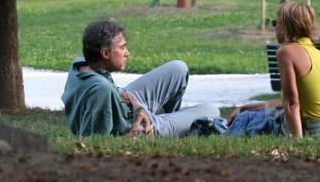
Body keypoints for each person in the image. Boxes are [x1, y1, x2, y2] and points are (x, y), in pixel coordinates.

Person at [62, 20, 221, 137]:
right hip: (136, 127)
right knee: (212, 111)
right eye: (122, 47)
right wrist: (132, 135)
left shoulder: (80, 64)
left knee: (178, 68)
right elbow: (94, 142)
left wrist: (139, 108)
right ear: (105, 53)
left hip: (128, 107)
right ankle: (164, 127)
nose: (127, 53)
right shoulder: (100, 90)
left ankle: (169, 121)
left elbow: (116, 93)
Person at [227, 2, 320, 139]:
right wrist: (245, 107)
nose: (275, 28)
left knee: (244, 119)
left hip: (308, 130)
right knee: (249, 114)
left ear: (286, 26)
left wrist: (296, 143)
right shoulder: (319, 54)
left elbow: (292, 103)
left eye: (276, 23)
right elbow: (294, 101)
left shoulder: (286, 52)